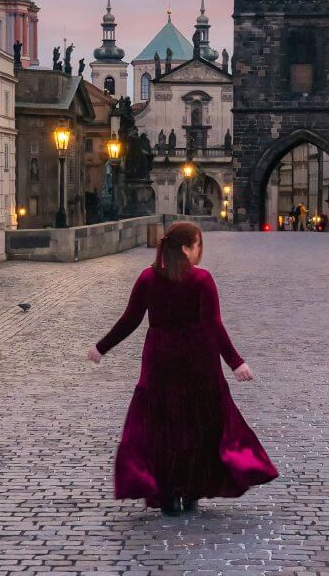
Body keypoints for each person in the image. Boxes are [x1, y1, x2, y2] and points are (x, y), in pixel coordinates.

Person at [87, 221, 278, 516]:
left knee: (163, 426)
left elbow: (130, 320)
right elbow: (214, 325)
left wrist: (102, 347)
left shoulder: (147, 278)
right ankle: (191, 491)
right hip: (198, 359)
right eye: (198, 244)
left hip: (160, 359)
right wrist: (236, 362)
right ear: (188, 248)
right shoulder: (201, 280)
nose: (199, 251)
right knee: (198, 424)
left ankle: (167, 494)